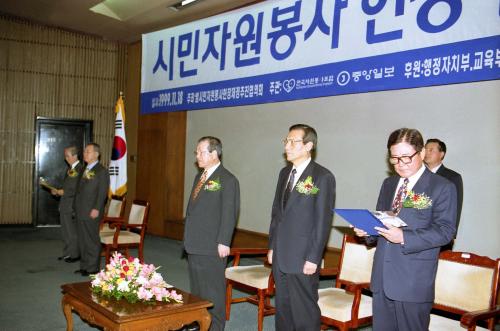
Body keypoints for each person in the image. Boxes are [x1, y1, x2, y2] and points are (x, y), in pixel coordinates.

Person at [354, 128, 456, 331]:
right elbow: (382, 221)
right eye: (394, 158)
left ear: (422, 153)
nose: (400, 164)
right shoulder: (389, 183)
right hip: (382, 277)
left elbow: (446, 231)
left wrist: (404, 237)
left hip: (413, 280)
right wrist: (368, 231)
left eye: (406, 157)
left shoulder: (441, 186)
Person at [267, 124, 336, 331]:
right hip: (281, 253)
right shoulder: (284, 173)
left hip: (304, 256)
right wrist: (272, 246)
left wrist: (314, 258)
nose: (287, 146)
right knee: (284, 308)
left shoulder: (322, 177)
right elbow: (276, 214)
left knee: (304, 312)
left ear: (308, 146)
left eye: (293, 142)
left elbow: (322, 220)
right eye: (286, 141)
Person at [183, 136, 240, 331]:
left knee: (214, 292)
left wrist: (224, 241)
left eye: (201, 152)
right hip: (194, 242)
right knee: (198, 290)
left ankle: (215, 327)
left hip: (212, 245)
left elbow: (229, 212)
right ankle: (200, 323)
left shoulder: (228, 179)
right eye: (196, 152)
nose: (197, 155)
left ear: (214, 154)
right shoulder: (199, 176)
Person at [74, 143, 109, 276]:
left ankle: (93, 268)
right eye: (84, 151)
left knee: (92, 239)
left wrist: (97, 208)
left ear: (96, 154)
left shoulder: (102, 171)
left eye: (88, 151)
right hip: (80, 209)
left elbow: (102, 193)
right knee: (82, 239)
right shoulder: (84, 169)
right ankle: (84, 266)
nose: (84, 154)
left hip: (91, 210)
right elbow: (80, 190)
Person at [51, 146, 83, 263]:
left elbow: (77, 189)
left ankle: (74, 254)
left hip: (71, 205)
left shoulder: (80, 169)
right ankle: (67, 253)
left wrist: (63, 192)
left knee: (71, 231)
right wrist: (58, 191)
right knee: (65, 231)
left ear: (74, 156)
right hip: (65, 203)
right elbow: (67, 186)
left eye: (67, 156)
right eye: (65, 156)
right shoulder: (71, 169)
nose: (66, 159)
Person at [424, 138, 463, 230]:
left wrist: (452, 234)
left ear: (441, 154)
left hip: (440, 229)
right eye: (425, 149)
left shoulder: (452, 177)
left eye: (431, 150)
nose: (427, 153)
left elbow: (456, 208)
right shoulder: (418, 175)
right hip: (418, 230)